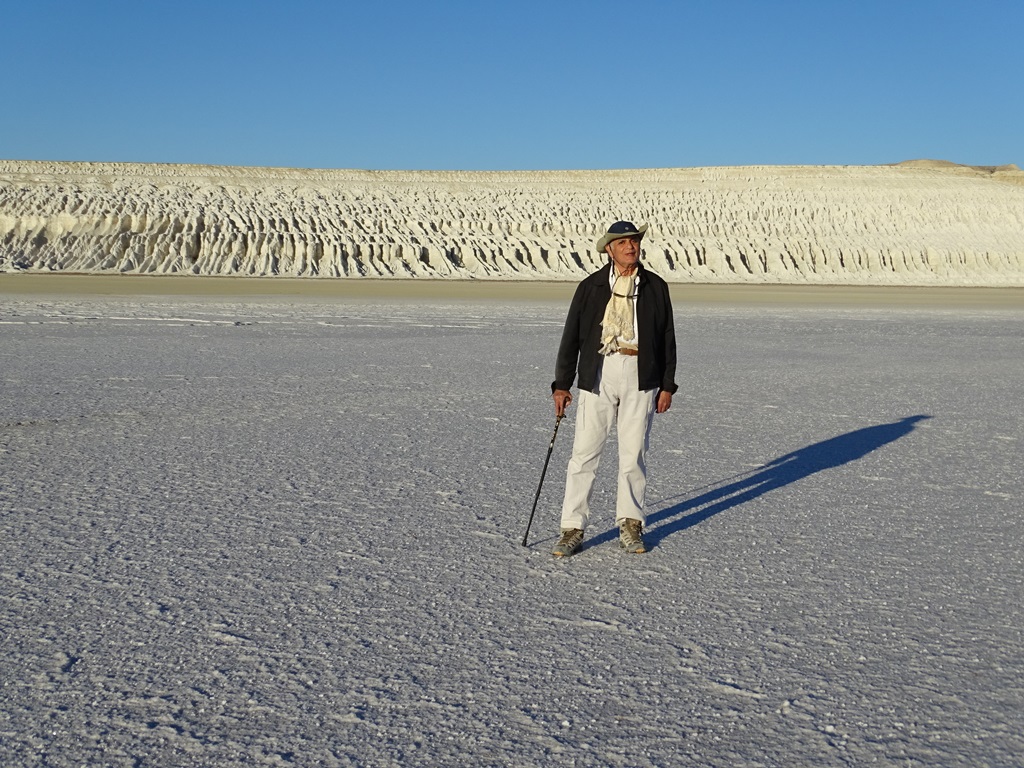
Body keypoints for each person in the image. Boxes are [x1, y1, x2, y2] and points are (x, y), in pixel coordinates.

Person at [551, 220, 677, 556]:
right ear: (609, 249)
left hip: (641, 372)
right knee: (584, 453)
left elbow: (667, 337)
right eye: (622, 243)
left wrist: (667, 384)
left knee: (633, 453)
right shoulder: (591, 286)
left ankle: (631, 524)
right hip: (600, 371)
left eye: (634, 241)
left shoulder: (654, 286)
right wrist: (562, 384)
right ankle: (572, 528)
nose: (630, 247)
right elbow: (572, 336)